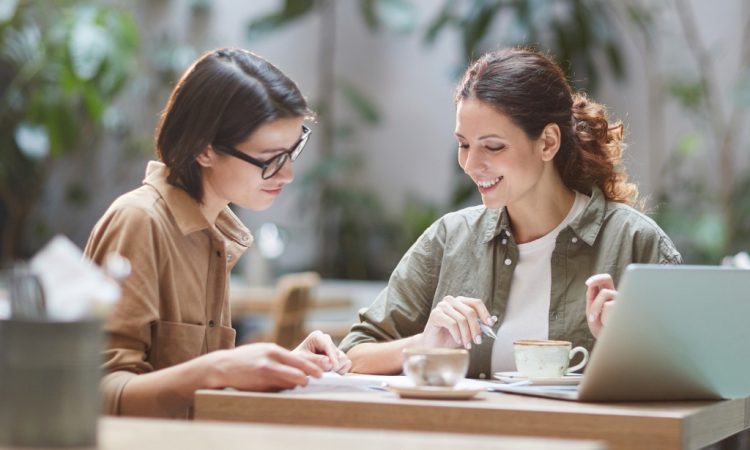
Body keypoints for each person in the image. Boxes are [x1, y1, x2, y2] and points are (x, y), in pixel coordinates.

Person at [339, 47, 682, 379]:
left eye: (493, 146)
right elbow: (353, 354)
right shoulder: (450, 240)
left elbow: (696, 385)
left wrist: (628, 348)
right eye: (463, 145)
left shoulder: (636, 243)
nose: (471, 165)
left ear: (548, 142)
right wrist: (425, 344)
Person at [85, 48, 351, 419]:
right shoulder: (139, 222)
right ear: (204, 150)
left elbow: (191, 387)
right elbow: (96, 392)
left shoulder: (214, 232)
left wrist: (282, 363)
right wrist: (221, 368)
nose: (287, 174)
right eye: (270, 158)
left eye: (293, 151)